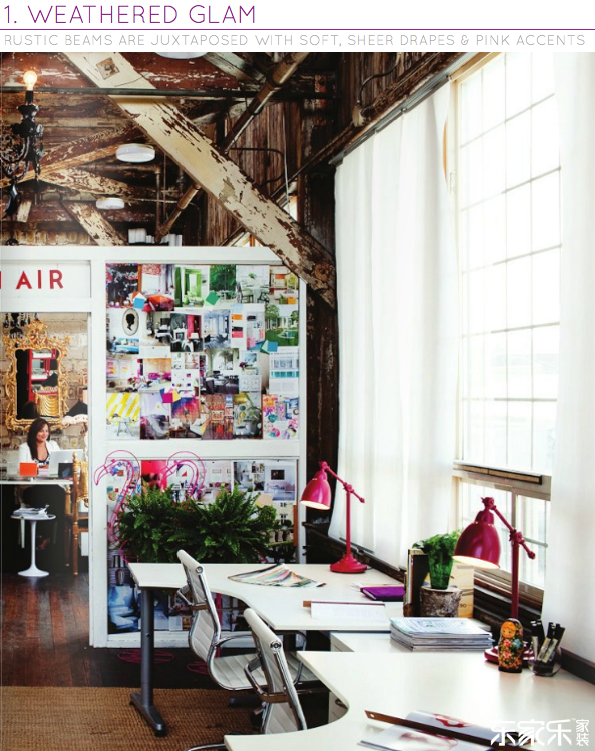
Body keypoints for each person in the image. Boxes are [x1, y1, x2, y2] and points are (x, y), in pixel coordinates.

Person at [17, 419, 65, 569]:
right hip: (31, 488)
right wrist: (41, 468)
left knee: (60, 495)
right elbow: (22, 470)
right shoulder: (24, 448)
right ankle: (42, 536)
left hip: (51, 487)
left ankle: (46, 536)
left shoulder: (53, 445)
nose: (44, 434)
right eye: (41, 431)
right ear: (34, 432)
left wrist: (43, 468)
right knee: (41, 495)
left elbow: (61, 465)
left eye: (46, 431)